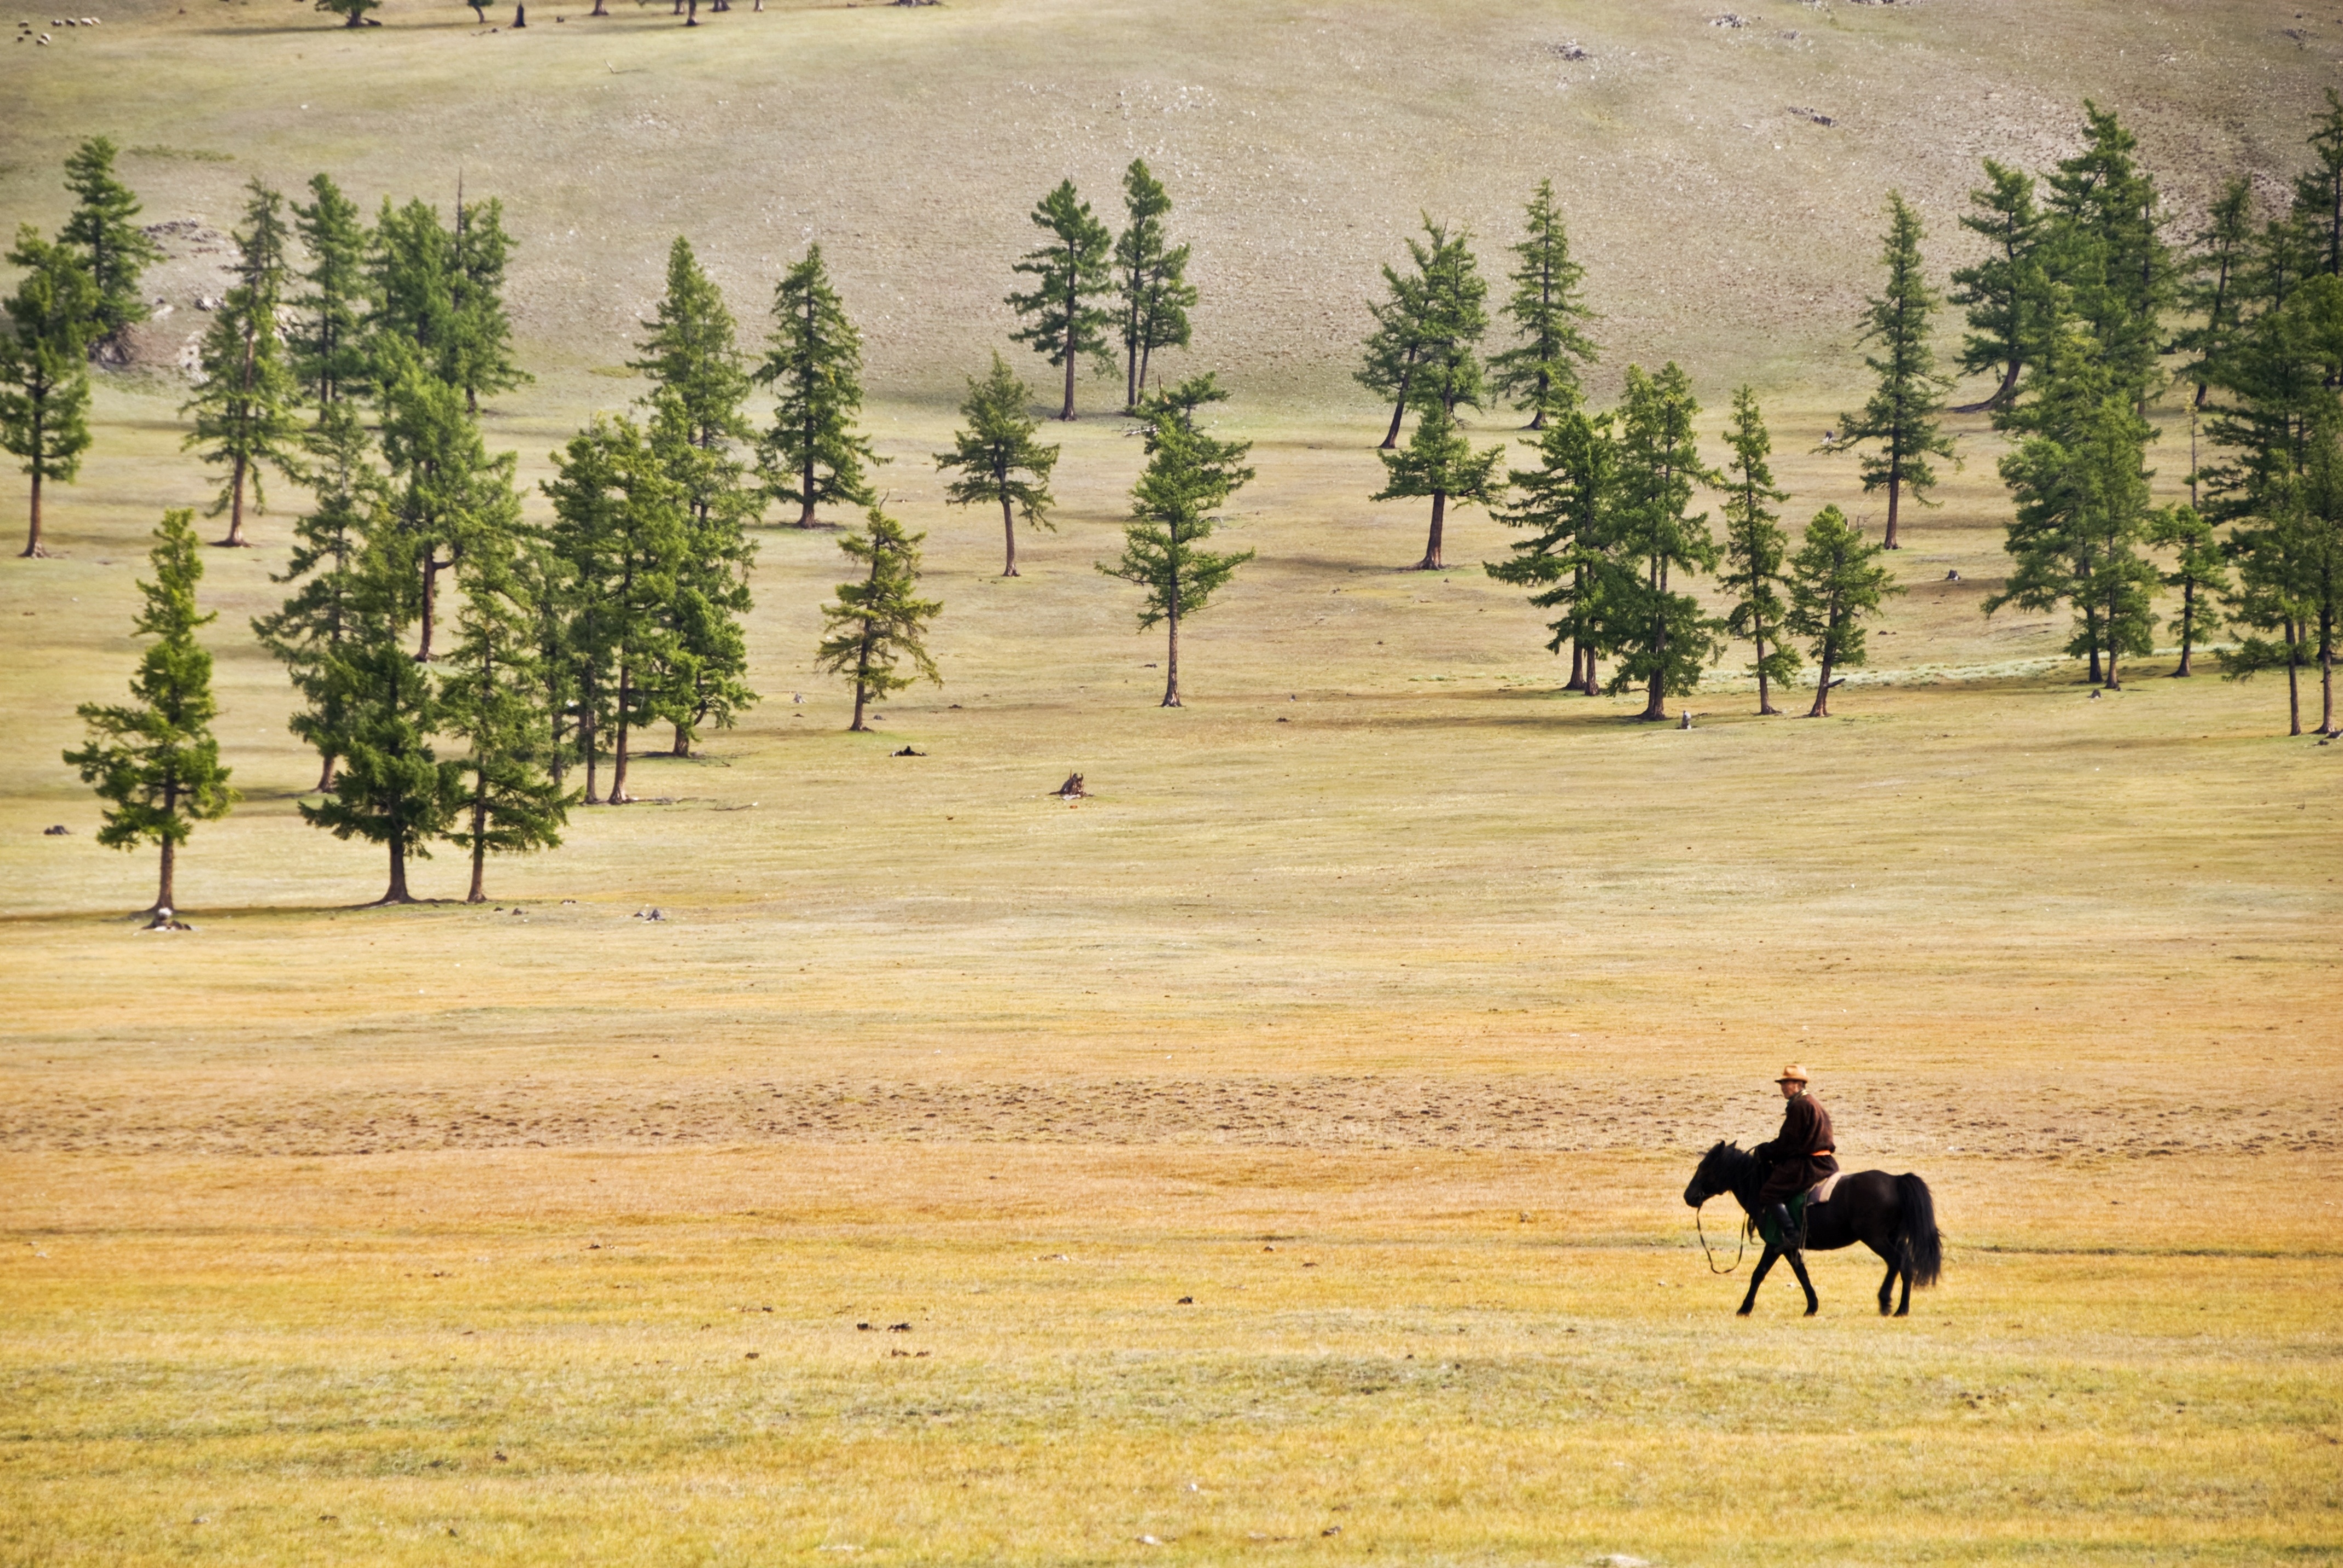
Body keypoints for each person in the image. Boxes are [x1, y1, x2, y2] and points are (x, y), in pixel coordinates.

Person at [1750, 1064, 1837, 1249]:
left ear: (1798, 1084)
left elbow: (1787, 1143)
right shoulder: (1812, 1102)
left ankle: (1792, 1235)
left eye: (1786, 1083)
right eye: (1782, 1083)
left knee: (1769, 1192)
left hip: (1810, 1164)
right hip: (1826, 1161)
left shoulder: (1800, 1106)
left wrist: (1763, 1151)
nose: (1782, 1087)